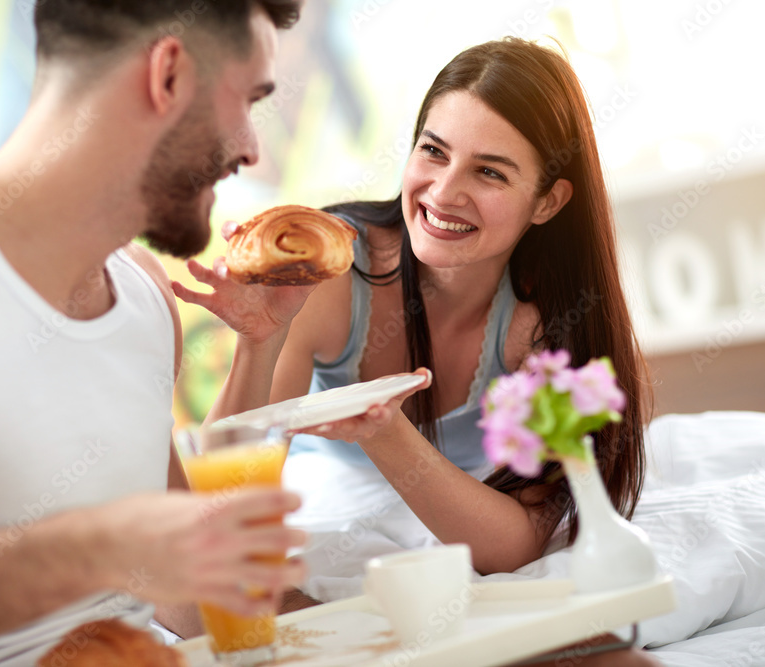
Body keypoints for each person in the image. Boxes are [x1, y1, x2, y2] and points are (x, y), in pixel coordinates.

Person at [0, 1, 307, 664]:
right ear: (168, 75)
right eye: (247, 99)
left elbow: (182, 599)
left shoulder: (143, 292)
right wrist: (82, 550)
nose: (250, 146)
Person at [178, 37, 658, 665]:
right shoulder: (331, 275)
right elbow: (222, 506)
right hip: (327, 491)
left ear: (548, 201)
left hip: (453, 497)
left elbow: (516, 546)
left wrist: (384, 431)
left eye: (489, 171)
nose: (443, 192)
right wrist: (259, 344)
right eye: (433, 151)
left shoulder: (541, 328)